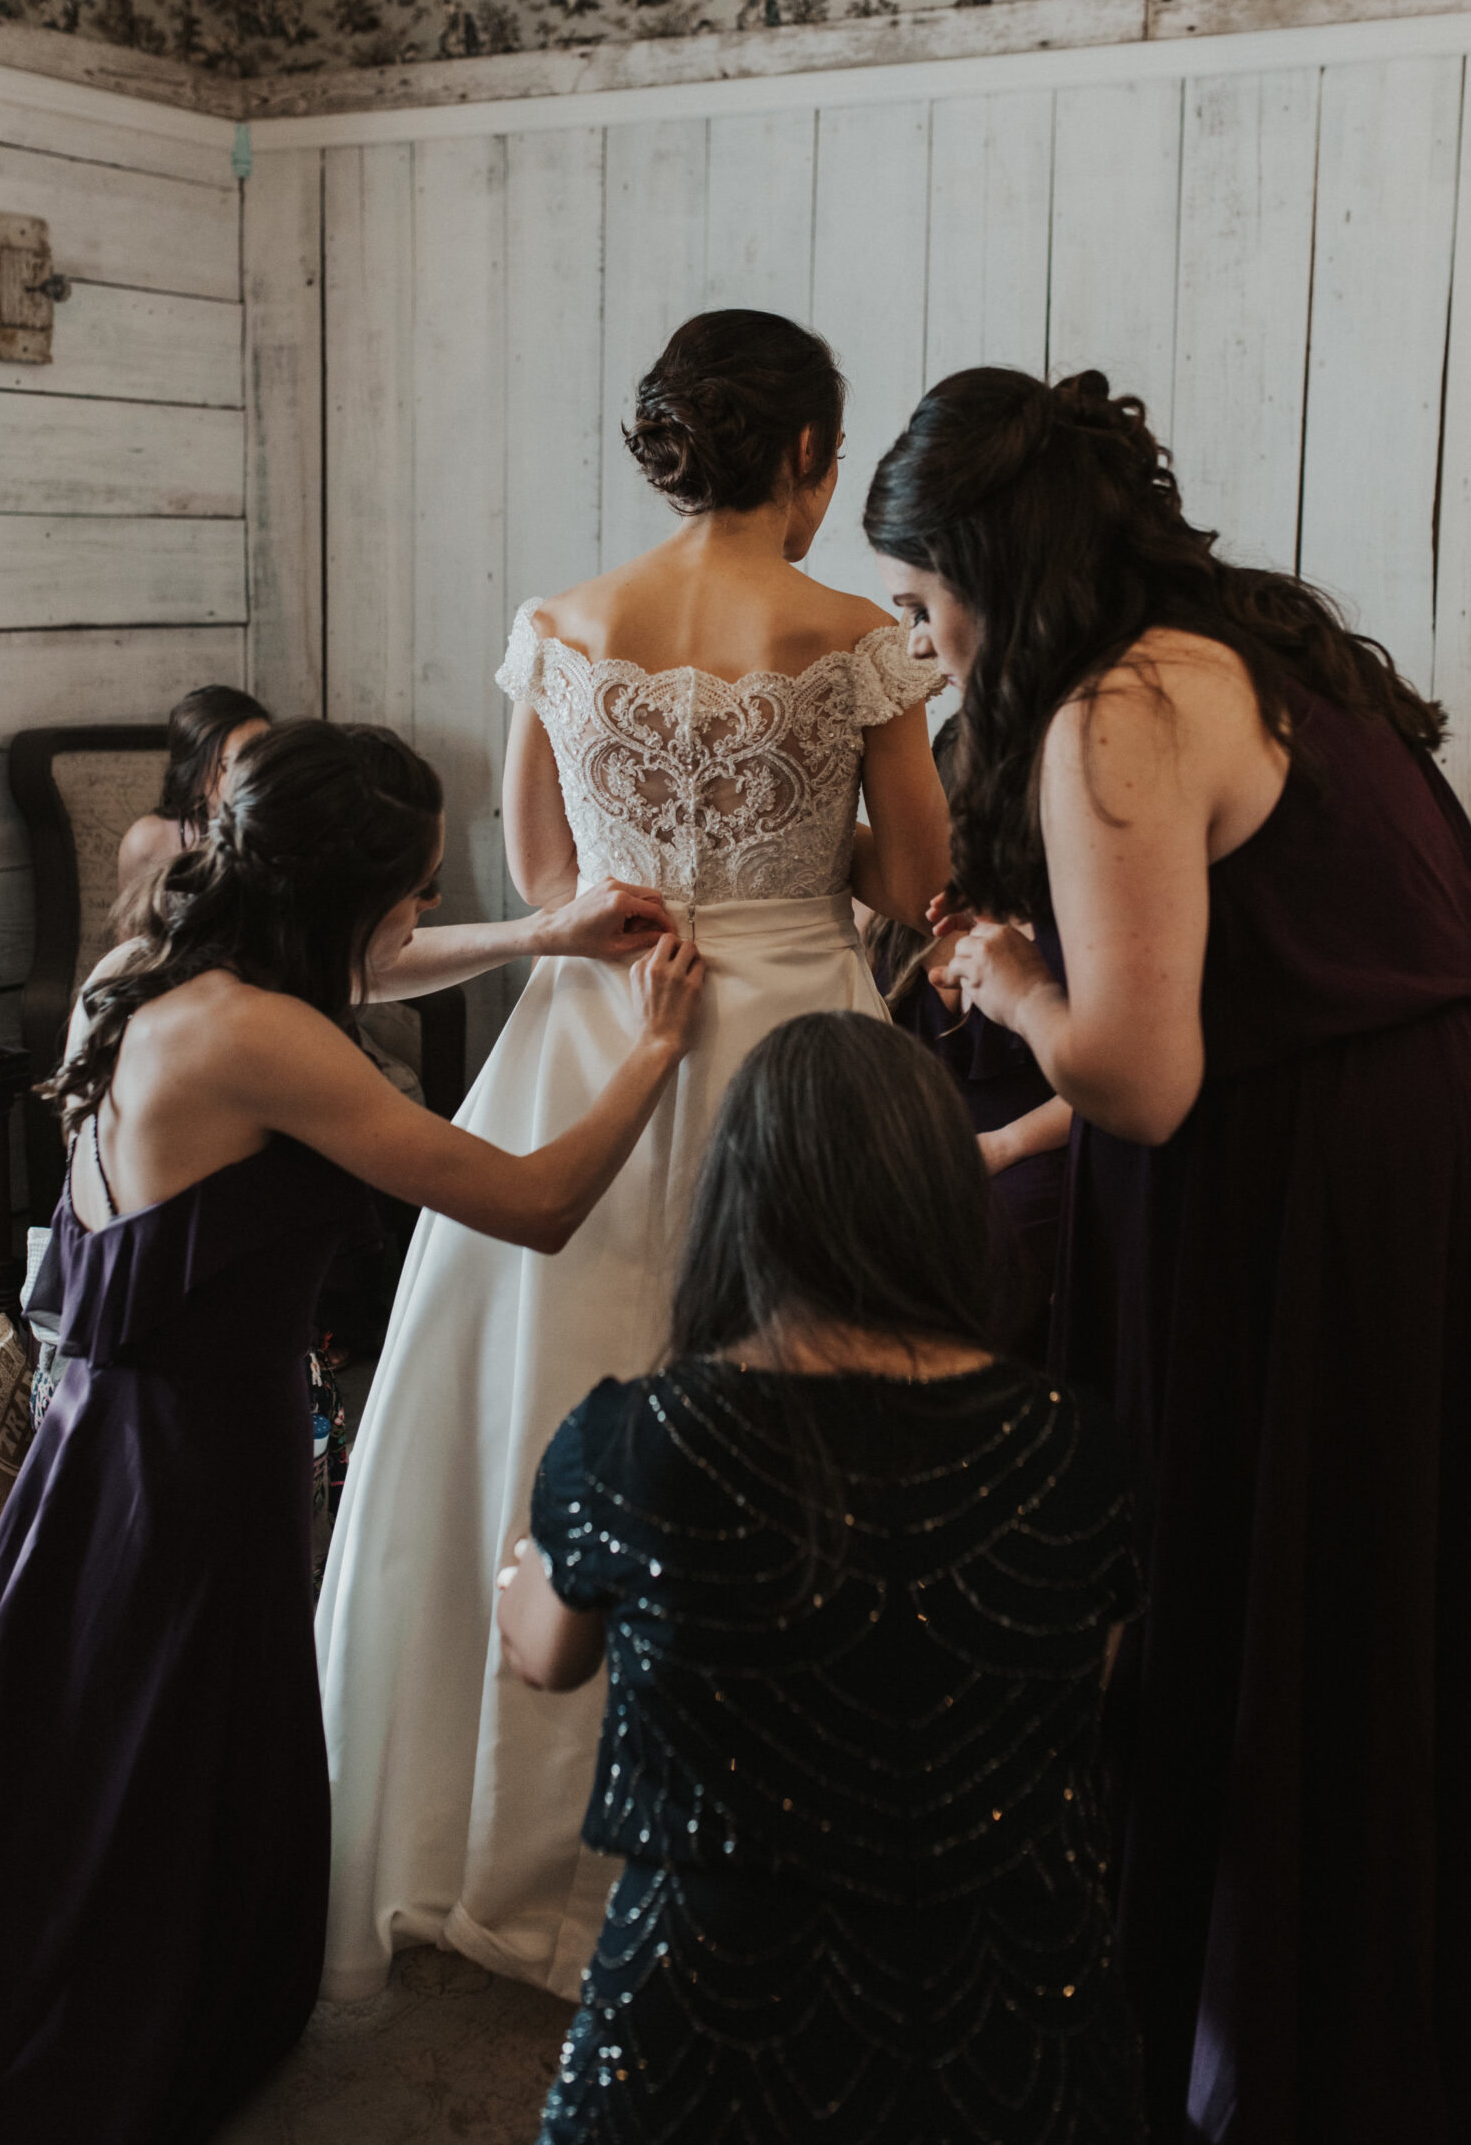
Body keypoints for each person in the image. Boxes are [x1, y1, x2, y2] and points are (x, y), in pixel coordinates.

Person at [0, 720, 703, 2145]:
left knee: (78, 1717)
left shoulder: (154, 972)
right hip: (194, 1464)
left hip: (100, 1432)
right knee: (162, 1733)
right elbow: (532, 1203)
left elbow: (382, 966)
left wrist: (547, 931)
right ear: (339, 892)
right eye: (412, 885)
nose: (419, 912)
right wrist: (653, 1050)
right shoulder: (269, 1041)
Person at [864, 365, 1471, 2145]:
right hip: (1433, 1117)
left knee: (1277, 1579)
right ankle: (1399, 1976)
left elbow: (1142, 1085)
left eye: (925, 607)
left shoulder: (1116, 712)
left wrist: (1004, 982)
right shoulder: (1262, 643)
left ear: (991, 566)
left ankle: (1295, 2039)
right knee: (1399, 1565)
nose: (925, 650)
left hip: (1312, 1173)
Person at [318, 310, 950, 2004]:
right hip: (796, 1044)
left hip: (592, 1028)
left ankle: (504, 1825)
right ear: (809, 456)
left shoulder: (557, 628)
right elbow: (906, 887)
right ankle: (770, 1826)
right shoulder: (855, 639)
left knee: (543, 1390)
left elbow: (542, 880)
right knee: (802, 1410)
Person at [497, 1011, 1145, 2144]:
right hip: (1009, 2015)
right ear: (945, 1203)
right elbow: (1091, 1686)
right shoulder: (1070, 1445)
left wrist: (522, 1592)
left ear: (740, 1205)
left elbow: (545, 1657)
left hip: (704, 2019)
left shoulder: (635, 1439)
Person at [861, 710, 1071, 1351]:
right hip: (930, 1146)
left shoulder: (1062, 929)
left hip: (1037, 1144)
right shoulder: (894, 916)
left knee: (986, 1245)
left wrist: (1003, 1146)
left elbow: (1102, 1075)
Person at [117, 682, 271, 892]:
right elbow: (130, 923)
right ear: (194, 777)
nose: (260, 773)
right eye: (232, 765)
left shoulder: (284, 834)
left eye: (268, 758)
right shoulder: (146, 842)